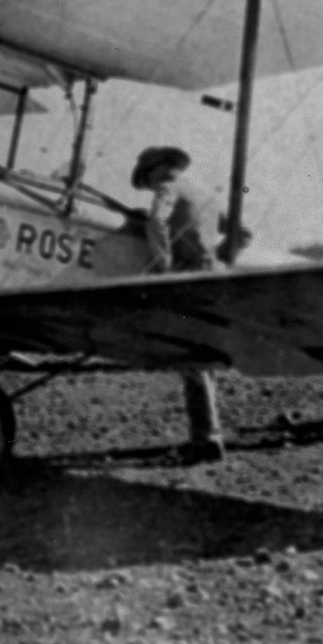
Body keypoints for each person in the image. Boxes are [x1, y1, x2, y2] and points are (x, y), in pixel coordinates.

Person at [130, 146, 224, 462]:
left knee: (190, 358)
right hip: (213, 275)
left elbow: (156, 221)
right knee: (202, 359)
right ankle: (208, 433)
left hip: (187, 278)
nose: (150, 183)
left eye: (148, 176)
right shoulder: (204, 194)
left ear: (159, 169)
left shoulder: (168, 188)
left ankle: (207, 440)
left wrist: (163, 266)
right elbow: (240, 232)